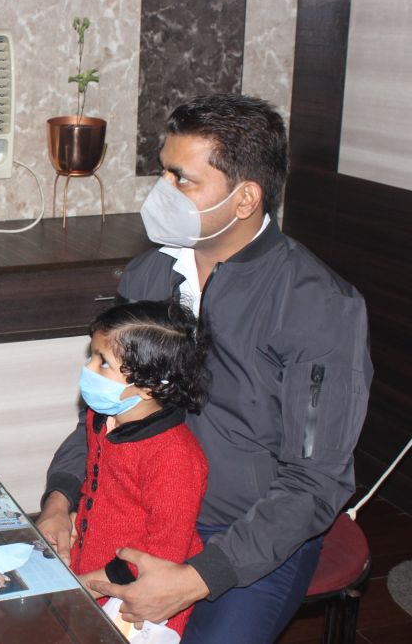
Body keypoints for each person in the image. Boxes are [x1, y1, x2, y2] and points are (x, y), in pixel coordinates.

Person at [36, 94, 373, 643]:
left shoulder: (318, 306)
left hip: (243, 535)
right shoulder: (149, 276)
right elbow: (102, 413)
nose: (161, 191)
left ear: (245, 199)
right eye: (163, 172)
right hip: (132, 503)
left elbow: (314, 482)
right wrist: (61, 499)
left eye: (182, 179)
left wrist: (198, 578)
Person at [70, 300, 210, 636]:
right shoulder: (101, 417)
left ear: (151, 387)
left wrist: (95, 582)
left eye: (103, 362)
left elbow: (165, 548)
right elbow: (96, 486)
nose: (89, 369)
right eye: (92, 356)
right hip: (89, 569)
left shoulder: (174, 456)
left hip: (137, 597)